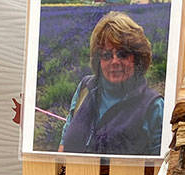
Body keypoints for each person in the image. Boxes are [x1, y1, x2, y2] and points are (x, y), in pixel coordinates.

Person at [59, 12, 164, 156]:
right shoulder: (85, 88)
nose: (114, 61)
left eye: (123, 54)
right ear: (99, 59)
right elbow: (63, 145)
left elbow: (160, 169)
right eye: (107, 55)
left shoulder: (153, 106)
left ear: (137, 57)